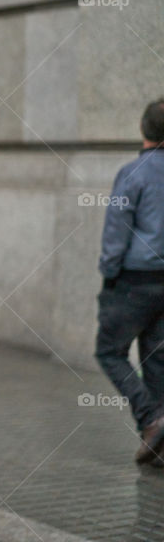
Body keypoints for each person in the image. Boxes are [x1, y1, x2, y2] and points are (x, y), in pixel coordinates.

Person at [96, 98, 164, 466]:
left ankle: (151, 419)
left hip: (133, 281)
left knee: (109, 351)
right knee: (157, 359)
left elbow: (116, 231)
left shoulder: (134, 173)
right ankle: (159, 436)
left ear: (144, 129)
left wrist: (109, 274)